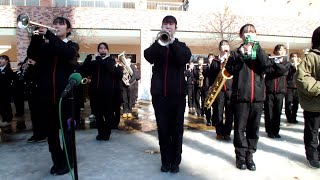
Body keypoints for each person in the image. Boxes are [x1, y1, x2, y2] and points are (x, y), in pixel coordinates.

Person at [27, 17, 79, 175]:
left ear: (68, 30)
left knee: (67, 134)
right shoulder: (46, 46)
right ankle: (57, 162)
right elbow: (32, 54)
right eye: (54, 24)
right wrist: (36, 38)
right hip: (47, 97)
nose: (56, 26)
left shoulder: (72, 46)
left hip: (66, 97)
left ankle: (68, 162)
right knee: (52, 134)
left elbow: (66, 54)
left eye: (61, 24)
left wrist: (50, 35)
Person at [144, 15, 191, 173]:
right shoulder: (157, 45)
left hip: (177, 96)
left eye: (171, 25)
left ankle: (175, 162)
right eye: (166, 24)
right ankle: (165, 161)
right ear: (162, 26)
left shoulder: (181, 45)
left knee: (177, 130)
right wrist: (160, 43)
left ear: (175, 28)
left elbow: (183, 58)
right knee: (163, 130)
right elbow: (148, 56)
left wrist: (172, 43)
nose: (168, 27)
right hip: (159, 95)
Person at [225, 24, 269, 171]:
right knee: (239, 129)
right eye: (246, 32)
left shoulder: (260, 51)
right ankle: (240, 157)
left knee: (253, 129)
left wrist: (257, 48)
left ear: (256, 34)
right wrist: (241, 55)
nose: (249, 34)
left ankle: (250, 156)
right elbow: (229, 70)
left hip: (257, 98)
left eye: (252, 32)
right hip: (240, 97)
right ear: (241, 36)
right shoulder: (235, 53)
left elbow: (266, 66)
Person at [81, 42, 123, 140]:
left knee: (108, 114)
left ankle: (107, 133)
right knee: (98, 114)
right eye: (100, 48)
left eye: (104, 48)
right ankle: (100, 132)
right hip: (95, 93)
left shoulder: (111, 60)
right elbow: (85, 70)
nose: (102, 50)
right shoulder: (95, 62)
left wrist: (98, 58)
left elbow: (108, 67)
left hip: (108, 93)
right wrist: (88, 59)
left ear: (107, 50)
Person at [296, 26, 320, 169]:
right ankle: (312, 155)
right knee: (312, 132)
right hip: (313, 104)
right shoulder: (311, 57)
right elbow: (301, 79)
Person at [207, 40, 233, 140]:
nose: (225, 46)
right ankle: (219, 131)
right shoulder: (215, 61)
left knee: (229, 112)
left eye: (227, 45)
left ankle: (227, 133)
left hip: (230, 89)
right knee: (218, 111)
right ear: (219, 48)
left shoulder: (232, 59)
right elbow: (210, 76)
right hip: (219, 90)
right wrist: (210, 87)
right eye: (223, 45)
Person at [264, 44, 290, 138]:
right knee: (269, 112)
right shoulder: (270, 61)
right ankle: (269, 131)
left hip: (280, 91)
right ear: (275, 52)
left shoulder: (286, 62)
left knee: (277, 112)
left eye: (283, 50)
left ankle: (276, 131)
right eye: (279, 50)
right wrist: (272, 62)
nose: (282, 52)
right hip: (269, 90)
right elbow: (268, 71)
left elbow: (283, 71)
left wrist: (275, 63)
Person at [285, 52, 300, 124]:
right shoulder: (288, 65)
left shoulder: (300, 66)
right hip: (289, 87)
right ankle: (289, 117)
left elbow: (298, 73)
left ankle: (294, 117)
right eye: (292, 57)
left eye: (295, 57)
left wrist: (296, 65)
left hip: (297, 87)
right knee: (288, 103)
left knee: (296, 104)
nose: (294, 58)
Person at [0, 55, 14, 128]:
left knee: (6, 106)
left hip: (5, 92)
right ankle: (4, 119)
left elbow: (7, 81)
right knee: (1, 106)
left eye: (2, 59)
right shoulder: (0, 69)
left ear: (6, 61)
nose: (0, 60)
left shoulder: (8, 70)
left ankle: (8, 120)